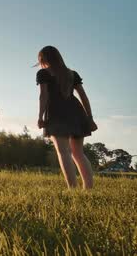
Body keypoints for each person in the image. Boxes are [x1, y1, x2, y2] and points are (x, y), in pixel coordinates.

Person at [36, 46, 97, 189]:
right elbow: (83, 96)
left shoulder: (43, 73)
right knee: (78, 153)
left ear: (43, 59)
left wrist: (40, 116)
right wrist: (89, 117)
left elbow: (43, 95)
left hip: (57, 114)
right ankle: (89, 189)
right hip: (76, 112)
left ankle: (73, 189)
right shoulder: (72, 74)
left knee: (63, 152)